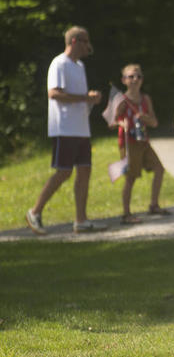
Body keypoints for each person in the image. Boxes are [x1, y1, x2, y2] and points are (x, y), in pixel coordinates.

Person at [25, 26, 107, 235]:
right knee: (63, 172)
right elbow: (54, 93)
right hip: (64, 127)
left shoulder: (79, 66)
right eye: (85, 41)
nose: (88, 46)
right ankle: (34, 212)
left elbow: (76, 95)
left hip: (81, 128)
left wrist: (89, 97)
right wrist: (84, 98)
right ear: (74, 41)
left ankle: (81, 220)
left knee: (84, 171)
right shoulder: (59, 63)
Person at [113, 64, 169, 224]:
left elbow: (154, 122)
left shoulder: (145, 99)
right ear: (124, 80)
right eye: (131, 77)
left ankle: (154, 204)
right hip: (129, 143)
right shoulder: (121, 100)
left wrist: (145, 118)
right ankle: (126, 213)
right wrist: (120, 120)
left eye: (138, 76)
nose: (135, 79)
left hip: (143, 140)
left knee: (159, 169)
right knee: (131, 177)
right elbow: (112, 121)